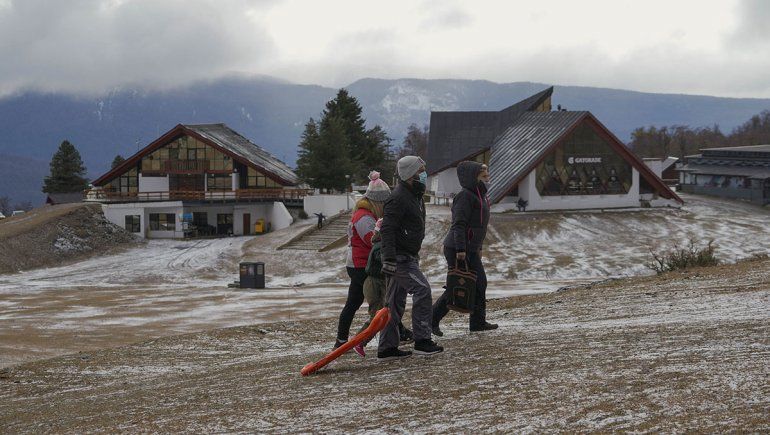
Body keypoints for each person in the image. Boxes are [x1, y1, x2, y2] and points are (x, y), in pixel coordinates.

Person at [378, 156, 443, 360]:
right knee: (422, 290)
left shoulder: (414, 194)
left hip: (408, 255)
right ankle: (422, 341)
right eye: (420, 171)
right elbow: (387, 229)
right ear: (409, 175)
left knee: (394, 303)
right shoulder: (398, 197)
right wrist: (389, 258)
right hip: (399, 258)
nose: (424, 174)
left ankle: (387, 348)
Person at [334, 171, 402, 348]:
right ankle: (355, 341)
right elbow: (371, 240)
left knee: (356, 302)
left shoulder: (367, 214)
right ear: (377, 201)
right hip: (361, 265)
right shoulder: (364, 217)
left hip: (361, 263)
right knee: (380, 300)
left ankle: (341, 340)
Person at [432, 161, 498, 336]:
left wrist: (478, 247)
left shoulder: (481, 195)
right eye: (484, 176)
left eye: (487, 175)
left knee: (479, 283)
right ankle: (431, 320)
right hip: (457, 248)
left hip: (471, 249)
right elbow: (459, 225)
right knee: (459, 284)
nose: (488, 179)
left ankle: (477, 323)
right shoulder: (465, 196)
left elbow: (479, 226)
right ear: (473, 177)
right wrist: (461, 249)